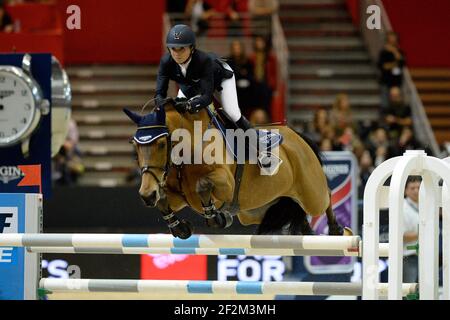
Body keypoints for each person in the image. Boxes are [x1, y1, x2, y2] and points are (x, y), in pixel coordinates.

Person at [155, 24, 272, 169]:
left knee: (232, 112)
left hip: (221, 78)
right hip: (193, 84)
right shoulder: (166, 62)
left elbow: (206, 97)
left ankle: (262, 150)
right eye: (173, 49)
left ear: (191, 48)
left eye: (182, 49)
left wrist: (190, 105)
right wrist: (161, 104)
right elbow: (159, 93)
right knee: (177, 115)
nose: (177, 53)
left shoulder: (203, 61)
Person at [377, 31, 406, 110]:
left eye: (394, 38)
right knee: (385, 104)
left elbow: (402, 62)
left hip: (397, 82)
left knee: (398, 103)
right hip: (386, 81)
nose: (392, 40)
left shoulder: (399, 52)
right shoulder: (383, 52)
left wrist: (394, 51)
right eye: (391, 38)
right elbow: (383, 66)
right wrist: (394, 64)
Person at [402, 176, 421, 283]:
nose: (416, 191)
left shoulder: (426, 205)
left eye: (418, 187)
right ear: (405, 190)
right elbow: (402, 236)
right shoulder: (402, 207)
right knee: (409, 292)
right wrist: (424, 233)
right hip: (409, 256)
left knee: (425, 291)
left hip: (425, 255)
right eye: (412, 188)